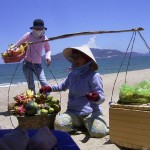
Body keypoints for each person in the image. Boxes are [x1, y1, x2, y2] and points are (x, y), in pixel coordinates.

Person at [39, 46, 109, 138]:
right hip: (73, 113)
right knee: (59, 125)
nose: (74, 60)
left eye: (78, 57)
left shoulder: (94, 76)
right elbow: (62, 86)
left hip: (90, 113)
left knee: (98, 133)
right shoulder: (72, 75)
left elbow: (102, 98)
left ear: (86, 58)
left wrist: (96, 97)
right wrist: (49, 88)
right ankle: (81, 125)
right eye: (73, 57)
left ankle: (92, 124)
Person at [14, 19, 51, 94]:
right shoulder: (28, 35)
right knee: (31, 85)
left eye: (40, 29)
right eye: (37, 28)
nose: (38, 30)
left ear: (43, 29)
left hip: (38, 65)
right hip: (26, 64)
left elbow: (48, 49)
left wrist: (48, 57)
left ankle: (46, 100)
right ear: (33, 28)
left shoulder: (45, 38)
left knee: (44, 83)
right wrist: (11, 51)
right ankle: (33, 102)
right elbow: (17, 44)